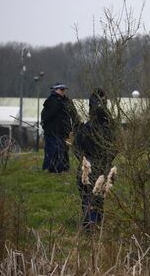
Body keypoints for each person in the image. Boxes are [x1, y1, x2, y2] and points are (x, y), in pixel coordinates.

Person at [74, 88, 117, 231]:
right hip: (97, 166)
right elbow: (114, 149)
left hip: (93, 166)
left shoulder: (87, 128)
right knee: (96, 198)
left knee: (89, 197)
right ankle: (93, 225)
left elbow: (77, 148)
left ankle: (91, 226)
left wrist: (84, 160)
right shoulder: (106, 129)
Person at [41, 82, 80, 173]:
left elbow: (73, 114)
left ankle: (63, 168)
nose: (63, 91)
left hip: (64, 130)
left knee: (63, 149)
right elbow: (45, 115)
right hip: (52, 130)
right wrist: (44, 124)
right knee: (52, 149)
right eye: (61, 89)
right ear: (55, 90)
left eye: (64, 89)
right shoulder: (51, 100)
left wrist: (76, 125)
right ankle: (52, 169)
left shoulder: (67, 101)